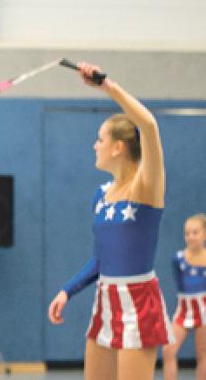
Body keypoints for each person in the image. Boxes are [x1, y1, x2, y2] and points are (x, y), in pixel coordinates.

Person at [47, 62, 174, 379]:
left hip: (139, 302)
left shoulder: (146, 187)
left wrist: (107, 87)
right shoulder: (100, 196)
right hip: (105, 299)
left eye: (99, 140)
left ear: (118, 147)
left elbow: (149, 126)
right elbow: (101, 259)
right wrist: (67, 290)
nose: (94, 145)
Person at [163, 213, 206, 380]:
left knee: (202, 354)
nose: (190, 237)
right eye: (187, 233)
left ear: (204, 234)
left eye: (195, 232)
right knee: (169, 350)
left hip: (204, 312)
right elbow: (180, 286)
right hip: (183, 311)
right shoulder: (178, 259)